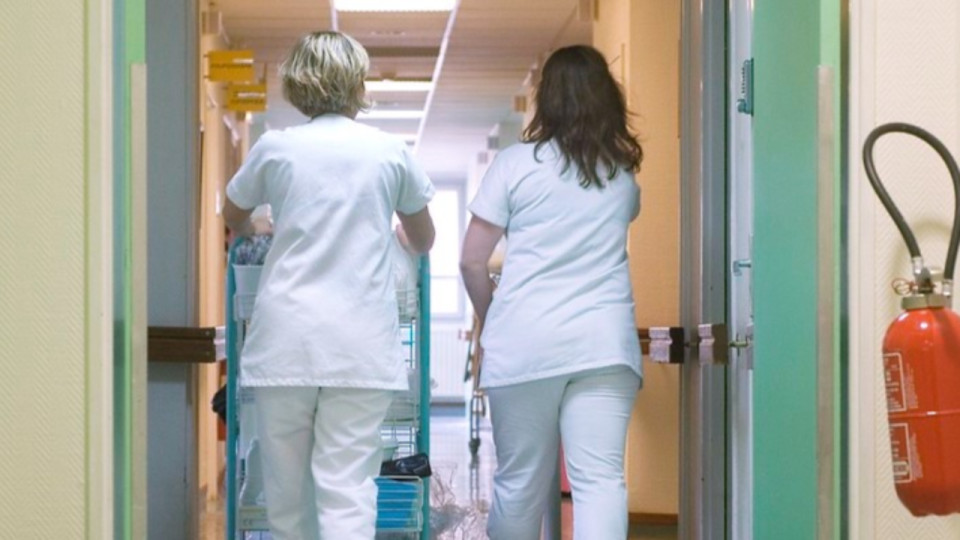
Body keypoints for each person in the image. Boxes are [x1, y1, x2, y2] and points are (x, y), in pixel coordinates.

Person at [223, 31, 435, 540]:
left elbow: (234, 214)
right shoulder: (389, 151)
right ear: (357, 82)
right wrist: (389, 232)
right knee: (347, 492)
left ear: (298, 81)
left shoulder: (276, 148)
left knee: (287, 499)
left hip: (286, 343)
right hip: (359, 346)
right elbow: (423, 237)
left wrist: (266, 226)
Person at [459, 44, 644, 540]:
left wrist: (490, 314)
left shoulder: (515, 165)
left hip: (524, 345)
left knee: (519, 484)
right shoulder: (622, 174)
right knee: (601, 482)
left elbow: (472, 259)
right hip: (603, 346)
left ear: (548, 98)